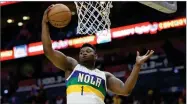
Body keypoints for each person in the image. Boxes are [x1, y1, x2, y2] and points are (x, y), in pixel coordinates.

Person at [41, 5, 154, 104]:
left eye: (88, 51)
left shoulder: (105, 76)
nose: (84, 53)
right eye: (81, 52)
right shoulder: (72, 66)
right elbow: (48, 51)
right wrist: (44, 23)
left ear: (96, 56)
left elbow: (125, 90)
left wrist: (137, 66)